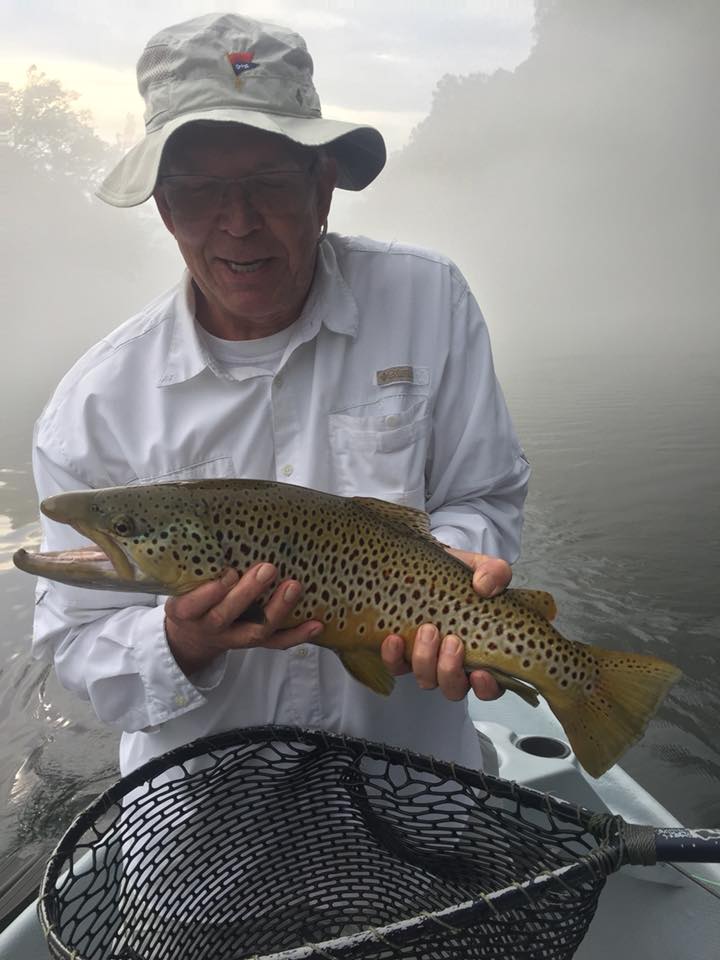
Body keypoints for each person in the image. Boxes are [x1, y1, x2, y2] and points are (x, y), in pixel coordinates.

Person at [31, 13, 530, 777]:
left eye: (266, 183)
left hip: (416, 780)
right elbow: (76, 650)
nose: (237, 223)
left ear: (322, 185)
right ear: (164, 210)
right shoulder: (95, 406)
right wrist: (180, 638)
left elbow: (484, 495)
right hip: (208, 819)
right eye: (199, 193)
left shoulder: (429, 301)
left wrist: (454, 580)